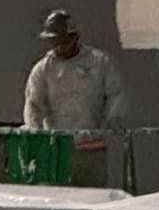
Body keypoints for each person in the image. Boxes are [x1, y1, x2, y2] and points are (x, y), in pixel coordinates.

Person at [23, 9, 128, 137]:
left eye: (64, 42)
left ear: (74, 38)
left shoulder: (99, 63)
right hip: (56, 144)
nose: (59, 47)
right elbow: (33, 105)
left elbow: (115, 93)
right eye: (55, 42)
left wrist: (113, 120)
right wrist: (35, 132)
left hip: (92, 140)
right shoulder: (42, 70)